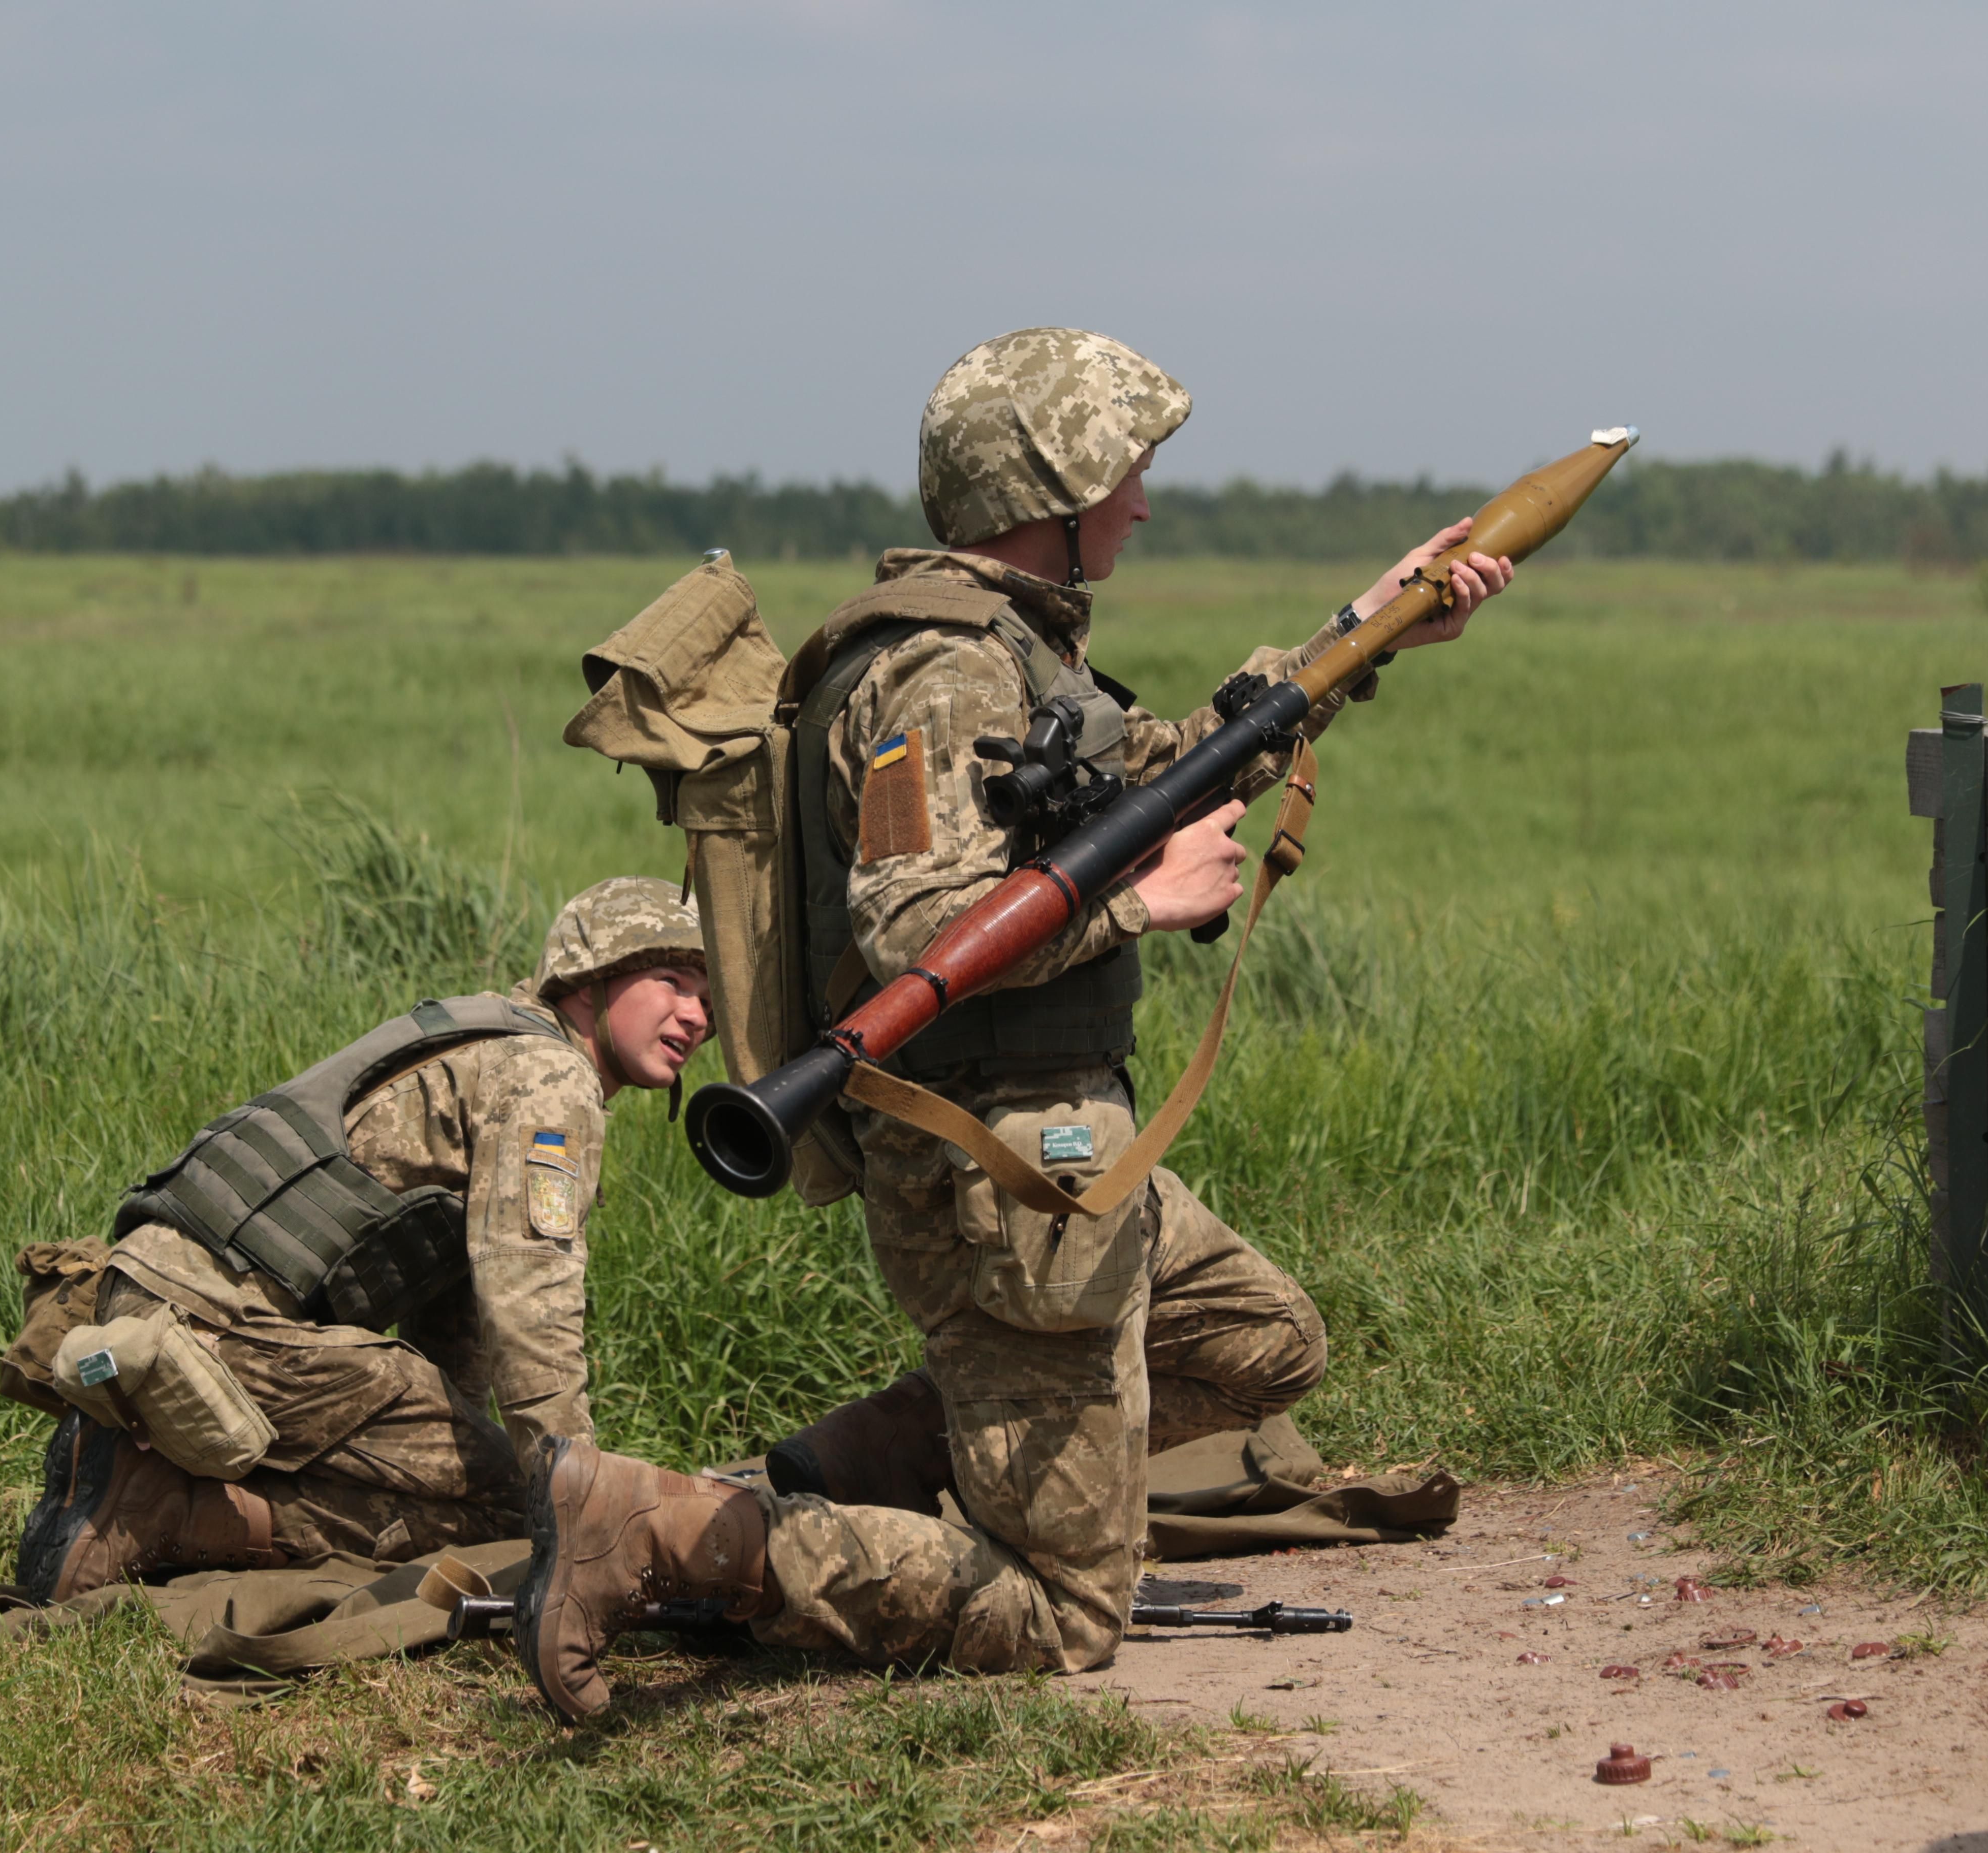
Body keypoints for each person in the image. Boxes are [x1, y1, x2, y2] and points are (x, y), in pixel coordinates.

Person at [514, 328, 1513, 1718]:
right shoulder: (940, 672)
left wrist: (1369, 628)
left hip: (1060, 1145)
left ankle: (877, 1466)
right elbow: (918, 929)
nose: (1142, 504)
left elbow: (1179, 767)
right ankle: (662, 1532)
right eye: (1126, 473)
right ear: (1054, 486)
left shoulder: (1014, 654)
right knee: (1063, 1611)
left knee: (1261, 1341)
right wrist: (1144, 902)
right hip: (996, 1170)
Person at [1, 876, 710, 1603]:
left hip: (149, 1298)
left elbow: (457, 1305)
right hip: (222, 1328)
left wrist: (468, 1440)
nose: (695, 1016)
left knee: (487, 1477)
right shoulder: (549, 1077)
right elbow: (531, 1309)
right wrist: (583, 1510)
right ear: (589, 978)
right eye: (673, 981)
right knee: (511, 1512)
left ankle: (145, 1485)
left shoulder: (491, 1037)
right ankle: (163, 1508)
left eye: (710, 1003)